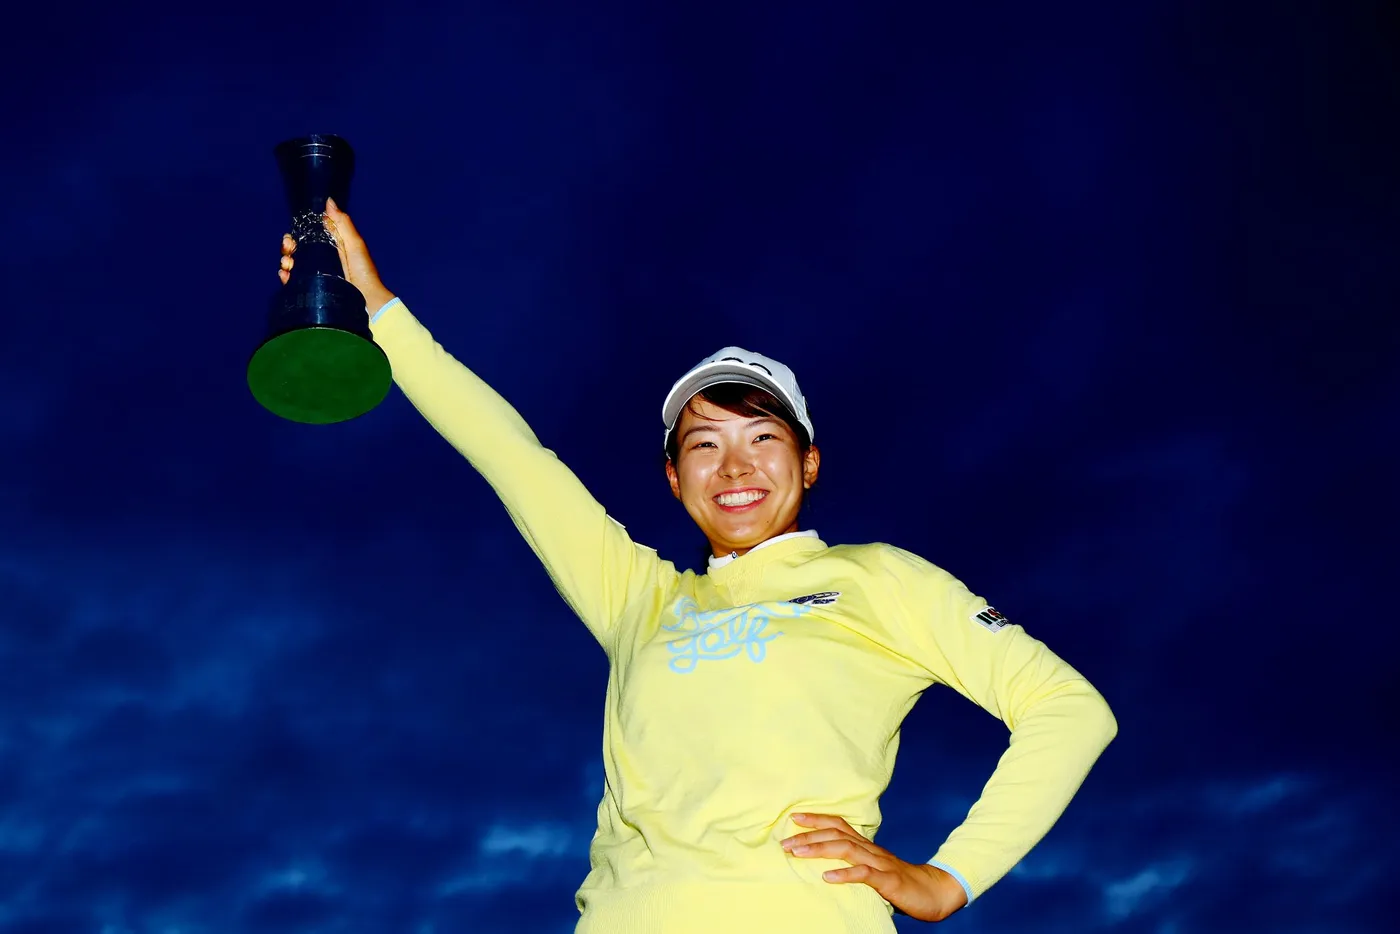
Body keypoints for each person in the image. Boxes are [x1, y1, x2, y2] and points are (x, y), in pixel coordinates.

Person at [277, 200, 1117, 933]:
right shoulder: (640, 598)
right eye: (704, 445)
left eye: (763, 438)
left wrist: (946, 880)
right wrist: (376, 305)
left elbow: (1069, 710)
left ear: (809, 463)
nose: (736, 466)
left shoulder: (878, 578)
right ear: (675, 479)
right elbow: (513, 457)